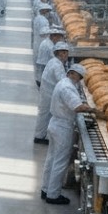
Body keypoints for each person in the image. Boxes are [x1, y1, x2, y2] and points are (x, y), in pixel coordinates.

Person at [42, 64, 92, 204]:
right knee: (60, 161)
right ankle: (53, 195)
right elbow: (78, 107)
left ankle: (45, 189)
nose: (79, 80)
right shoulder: (67, 87)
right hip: (62, 127)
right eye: (79, 77)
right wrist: (94, 110)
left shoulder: (63, 83)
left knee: (51, 159)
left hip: (55, 124)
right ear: (73, 74)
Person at [34, 42, 71, 144]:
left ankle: (40, 135)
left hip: (47, 92)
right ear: (58, 53)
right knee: (45, 115)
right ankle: (39, 137)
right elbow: (62, 82)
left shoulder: (54, 62)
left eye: (66, 52)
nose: (65, 55)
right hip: (49, 94)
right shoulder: (57, 65)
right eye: (63, 52)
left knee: (44, 115)